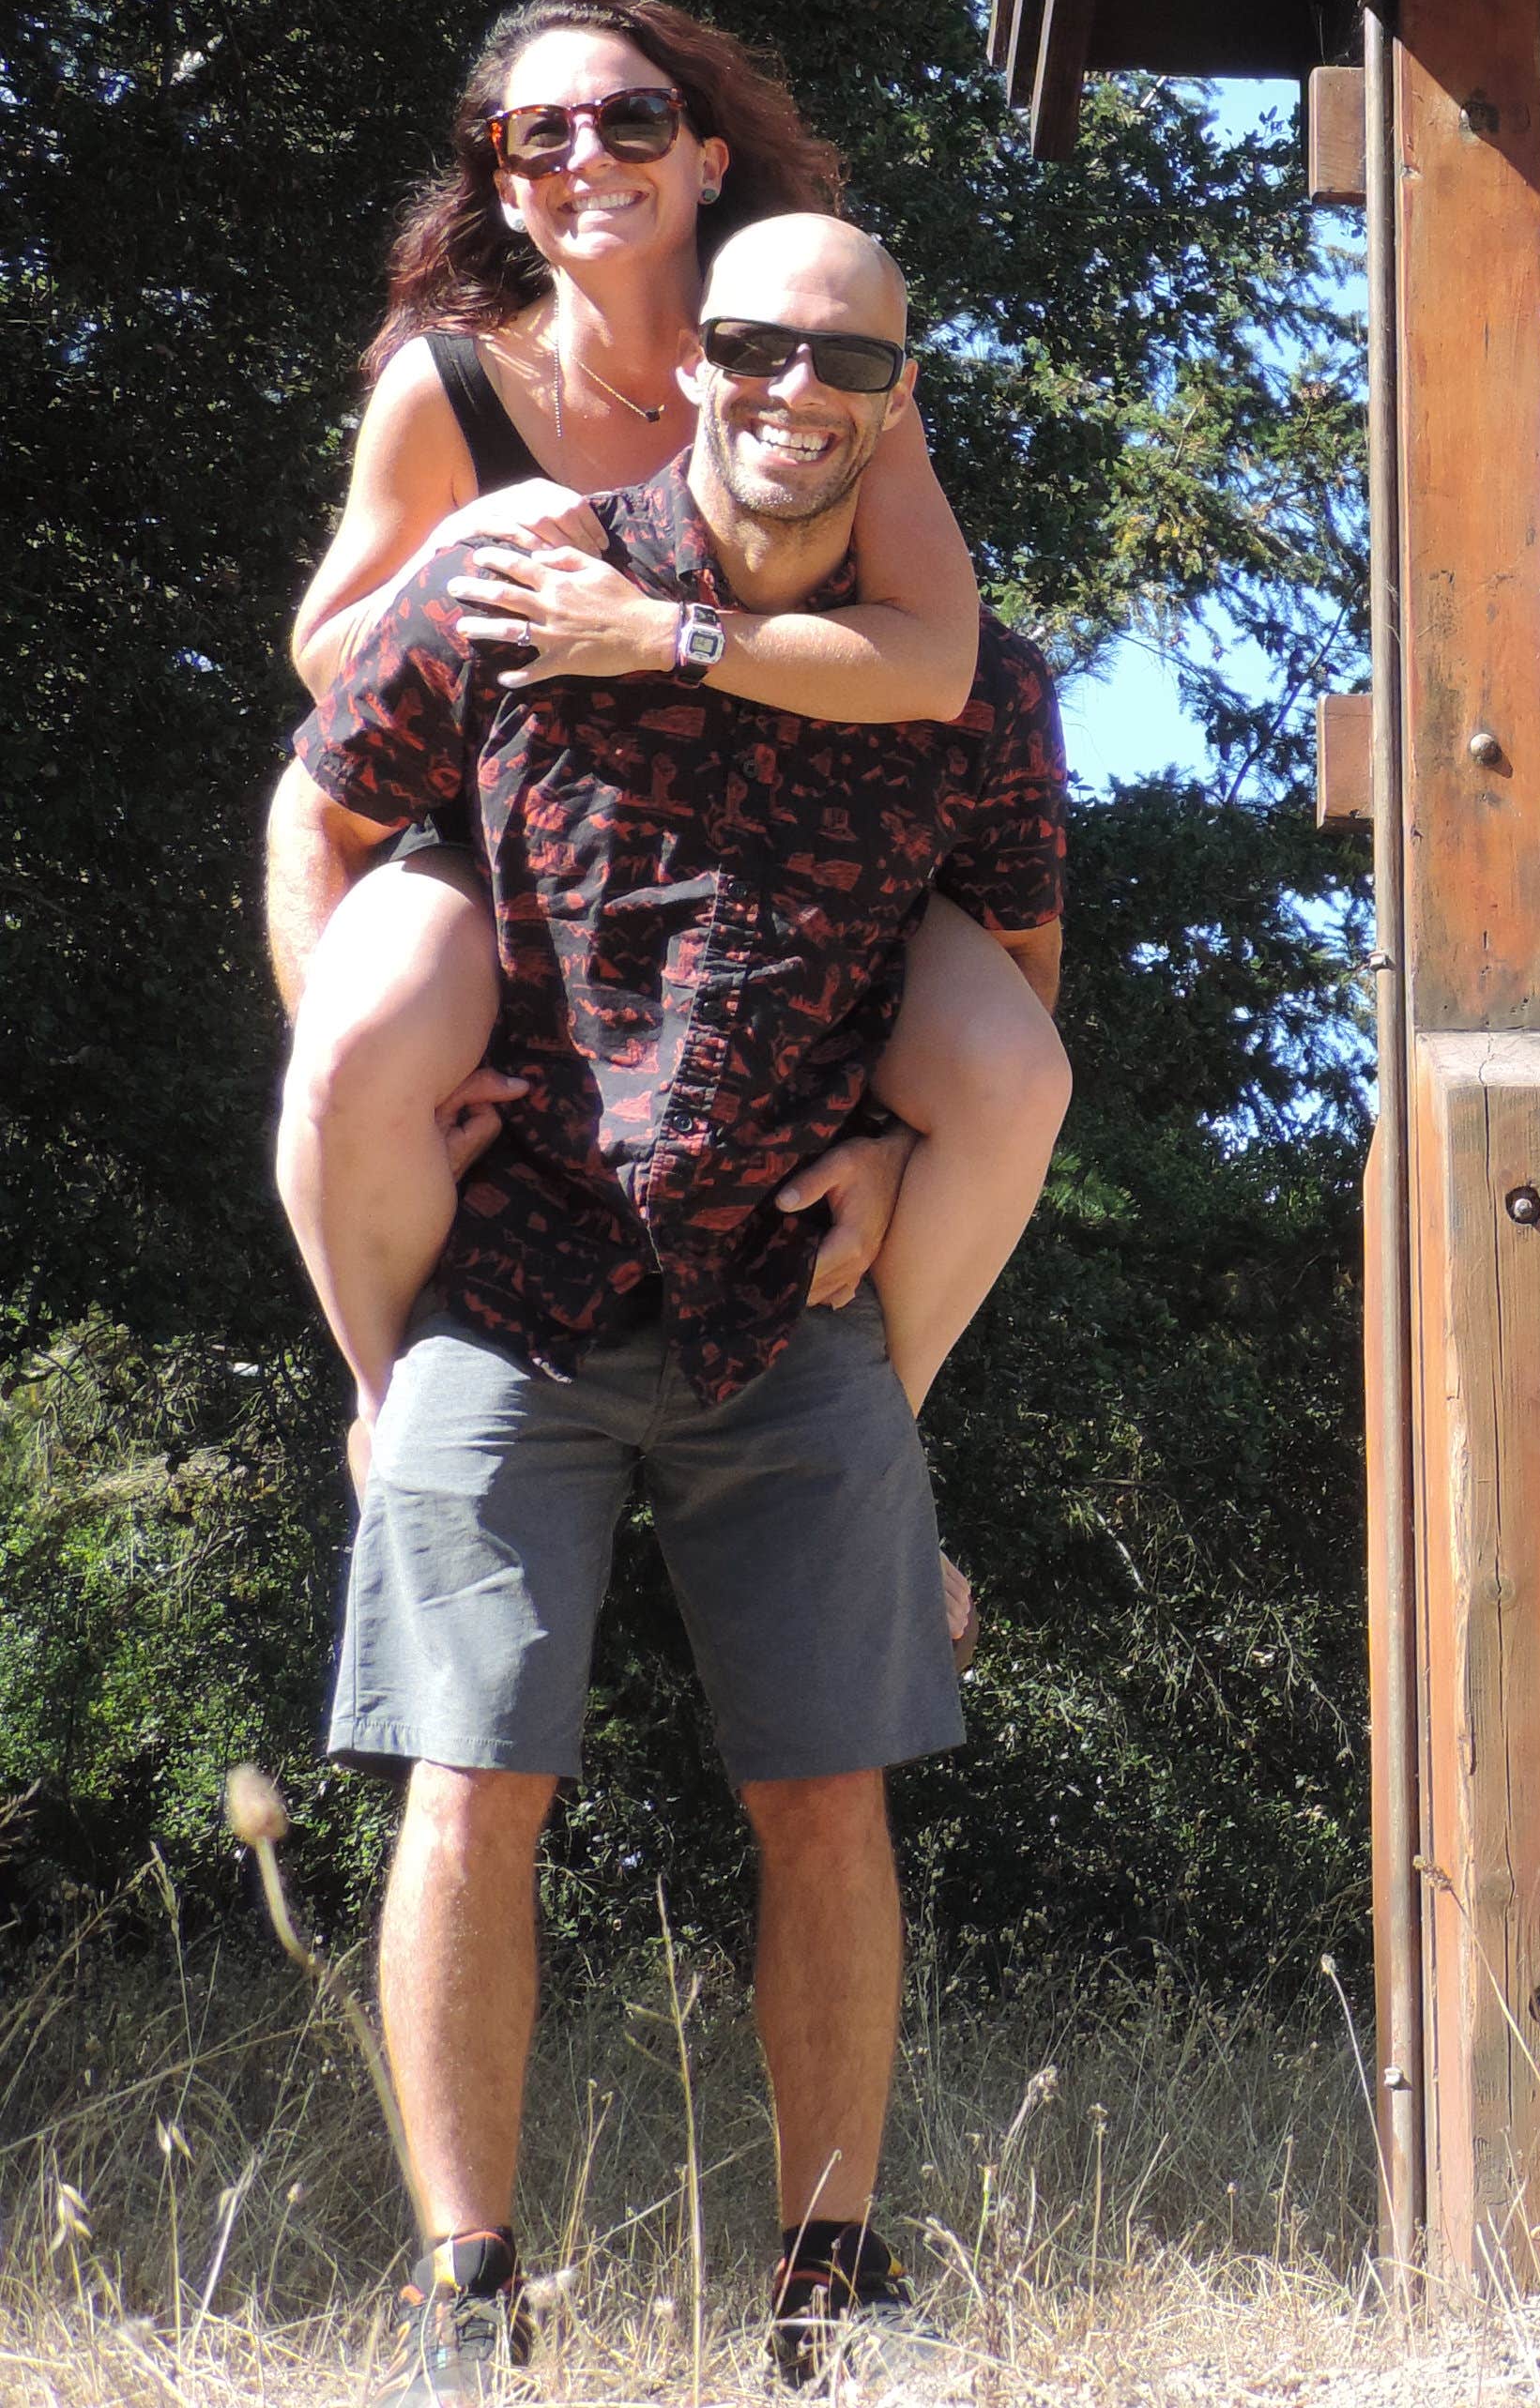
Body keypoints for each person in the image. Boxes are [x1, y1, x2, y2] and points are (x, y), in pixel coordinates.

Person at [279, 213, 1061, 2402]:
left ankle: (831, 2289)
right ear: (693, 362)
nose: (795, 390)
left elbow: (1017, 953)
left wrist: (910, 1154)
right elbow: (323, 809)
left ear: (902, 397)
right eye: (751, 343)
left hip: (785, 1310)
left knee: (831, 1796)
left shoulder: (974, 676)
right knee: (469, 1782)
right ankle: (465, 2297)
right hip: (504, 1282)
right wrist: (361, 1062)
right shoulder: (515, 576)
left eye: (850, 360)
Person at [270, 0, 1068, 1465]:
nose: (592, 154)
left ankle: (880, 1459)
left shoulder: (811, 359)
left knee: (1020, 1071)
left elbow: (935, 662)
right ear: (505, 181)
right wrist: (471, 555)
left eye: (632, 119)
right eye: (542, 132)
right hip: (537, 834)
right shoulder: (450, 388)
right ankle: (392, 1409)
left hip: (800, 841)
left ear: (703, 158)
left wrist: (654, 633)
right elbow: (335, 676)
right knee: (363, 1024)